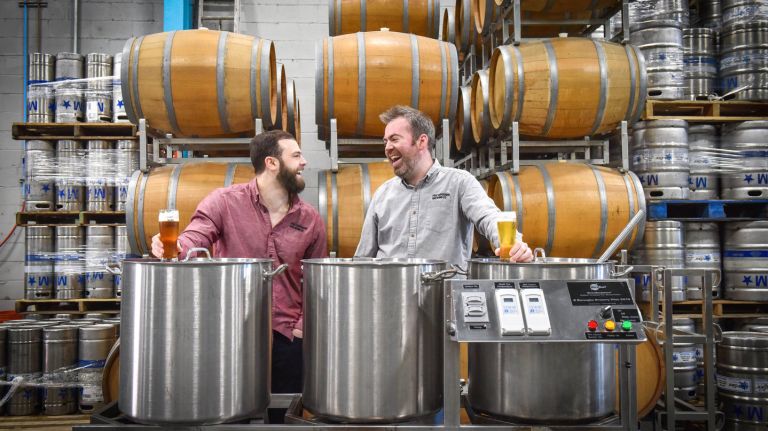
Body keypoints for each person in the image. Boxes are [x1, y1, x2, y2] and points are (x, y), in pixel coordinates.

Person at [150, 130, 327, 423]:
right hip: (231, 333)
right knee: (229, 419)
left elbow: (318, 281)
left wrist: (302, 327)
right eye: (296, 155)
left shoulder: (310, 219)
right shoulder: (224, 202)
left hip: (287, 337)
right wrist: (177, 245)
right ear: (271, 163)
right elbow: (197, 236)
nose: (304, 162)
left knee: (284, 418)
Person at [355, 105, 533, 265]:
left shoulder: (459, 183)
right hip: (392, 296)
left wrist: (514, 243)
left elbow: (489, 217)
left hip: (444, 295)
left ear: (421, 141)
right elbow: (363, 259)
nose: (387, 148)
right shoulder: (383, 194)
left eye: (394, 139)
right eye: (385, 142)